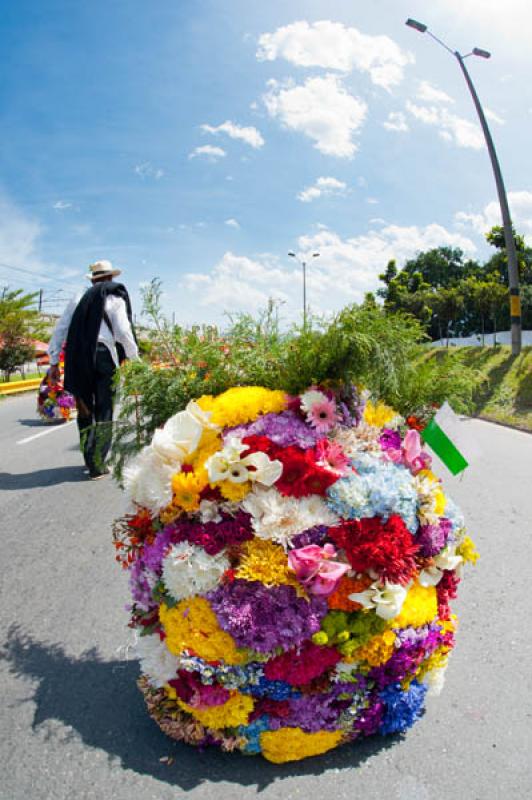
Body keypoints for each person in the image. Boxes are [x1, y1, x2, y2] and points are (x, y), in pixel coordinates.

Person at [48, 260, 139, 479]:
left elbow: (61, 328)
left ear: (93, 279)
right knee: (105, 409)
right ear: (110, 278)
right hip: (104, 357)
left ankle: (90, 459)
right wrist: (135, 360)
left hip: (78, 358)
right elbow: (123, 333)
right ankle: (98, 463)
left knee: (84, 410)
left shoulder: (79, 298)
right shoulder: (114, 298)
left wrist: (53, 362)